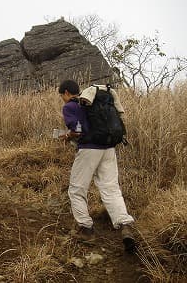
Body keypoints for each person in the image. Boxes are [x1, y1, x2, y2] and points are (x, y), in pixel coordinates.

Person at [58, 79, 136, 252]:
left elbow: (78, 130)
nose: (62, 99)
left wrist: (67, 136)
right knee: (111, 188)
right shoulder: (92, 101)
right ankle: (125, 226)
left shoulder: (71, 106)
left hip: (89, 149)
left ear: (66, 93)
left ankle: (85, 229)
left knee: (77, 189)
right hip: (108, 149)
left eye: (61, 96)